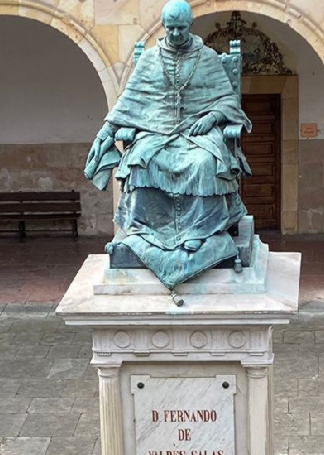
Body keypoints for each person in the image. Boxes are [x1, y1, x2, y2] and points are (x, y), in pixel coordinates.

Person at [83, 0, 251, 289]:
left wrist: (211, 118)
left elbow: (226, 99)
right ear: (164, 27)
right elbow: (130, 101)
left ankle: (202, 229)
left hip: (197, 131)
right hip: (155, 131)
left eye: (180, 28)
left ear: (190, 26)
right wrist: (105, 133)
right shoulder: (149, 59)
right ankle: (146, 231)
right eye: (170, 28)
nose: (174, 34)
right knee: (142, 164)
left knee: (205, 163)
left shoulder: (207, 57)